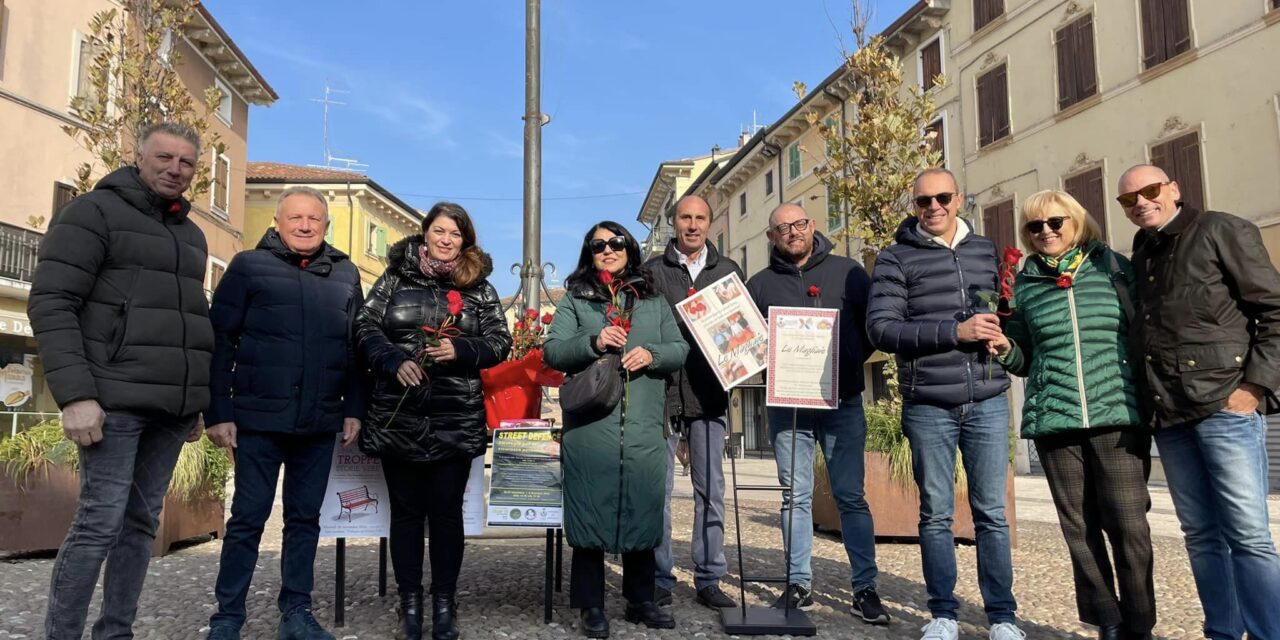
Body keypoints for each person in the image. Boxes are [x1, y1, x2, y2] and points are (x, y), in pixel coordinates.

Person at [27, 122, 212, 640]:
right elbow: (52, 302)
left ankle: (116, 633)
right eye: (165, 157)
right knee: (98, 523)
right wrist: (76, 395)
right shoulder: (91, 213)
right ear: (139, 157)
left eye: (187, 163)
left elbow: (187, 321)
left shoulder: (191, 235)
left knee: (140, 526)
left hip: (170, 411)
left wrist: (193, 400)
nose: (175, 169)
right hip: (111, 401)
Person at [1118, 164, 1280, 640]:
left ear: (1173, 188)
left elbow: (1273, 311)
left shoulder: (1220, 230)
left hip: (1224, 408)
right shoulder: (1144, 250)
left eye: (1149, 191)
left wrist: (1254, 388)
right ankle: (1223, 633)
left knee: (1248, 536)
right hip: (1170, 415)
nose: (1141, 203)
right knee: (1202, 537)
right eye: (1129, 200)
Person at [989, 190, 1155, 640]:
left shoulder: (1114, 268)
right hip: (1055, 419)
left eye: (1055, 223)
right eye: (1034, 227)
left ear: (1077, 221)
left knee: (1129, 524)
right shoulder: (1024, 283)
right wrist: (1006, 348)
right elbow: (1024, 358)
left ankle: (1140, 623)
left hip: (1117, 413)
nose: (1045, 232)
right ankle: (1108, 621)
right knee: (1079, 529)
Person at [204, 186, 366, 640]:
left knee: (304, 520)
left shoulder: (345, 274)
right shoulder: (248, 266)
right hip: (258, 419)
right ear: (277, 223)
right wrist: (218, 410)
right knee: (248, 519)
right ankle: (227, 616)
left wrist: (354, 408)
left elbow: (356, 349)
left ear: (326, 226)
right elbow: (220, 342)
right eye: (295, 218)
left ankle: (296, 612)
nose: (304, 225)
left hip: (318, 421)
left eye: (314, 219)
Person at [866, 168, 1022, 640]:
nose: (933, 207)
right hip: (929, 404)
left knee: (991, 513)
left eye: (941, 198)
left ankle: (1003, 617)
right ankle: (943, 614)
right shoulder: (894, 258)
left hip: (989, 399)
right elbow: (883, 329)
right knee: (935, 513)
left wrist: (1005, 338)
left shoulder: (986, 251)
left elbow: (1010, 313)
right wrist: (955, 332)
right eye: (922, 201)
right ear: (913, 206)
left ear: (959, 199)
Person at [356, 202, 511, 640]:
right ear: (424, 234)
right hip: (397, 412)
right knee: (405, 514)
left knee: (445, 514)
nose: (446, 240)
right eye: (438, 231)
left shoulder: (479, 288)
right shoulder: (394, 277)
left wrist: (460, 351)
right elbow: (365, 327)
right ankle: (410, 604)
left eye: (455, 234)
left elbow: (500, 341)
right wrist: (391, 359)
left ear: (466, 240)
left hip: (455, 415)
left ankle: (444, 602)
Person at [543, 221, 689, 639]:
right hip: (591, 426)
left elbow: (679, 349)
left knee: (643, 506)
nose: (608, 250)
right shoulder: (576, 298)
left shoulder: (653, 299)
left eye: (616, 242)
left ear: (630, 248)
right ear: (589, 253)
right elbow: (553, 350)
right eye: (598, 245)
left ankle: (640, 599)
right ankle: (591, 605)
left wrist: (652, 353)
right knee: (590, 508)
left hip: (643, 424)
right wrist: (593, 341)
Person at [745, 203, 888, 625]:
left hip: (842, 402)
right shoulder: (760, 285)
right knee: (795, 497)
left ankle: (865, 588)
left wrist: (844, 361)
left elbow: (873, 328)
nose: (793, 232)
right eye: (782, 228)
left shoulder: (849, 272)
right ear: (771, 237)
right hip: (788, 407)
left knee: (851, 497)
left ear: (813, 227)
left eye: (800, 224)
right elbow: (747, 344)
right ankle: (798, 583)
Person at [642, 196, 742, 610]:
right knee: (659, 493)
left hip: (710, 396)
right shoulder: (651, 272)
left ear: (710, 223)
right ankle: (659, 577)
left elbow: (742, 331)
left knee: (711, 491)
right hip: (662, 395)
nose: (693, 225)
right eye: (685, 217)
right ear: (674, 222)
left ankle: (709, 577)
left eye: (700, 218)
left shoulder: (729, 271)